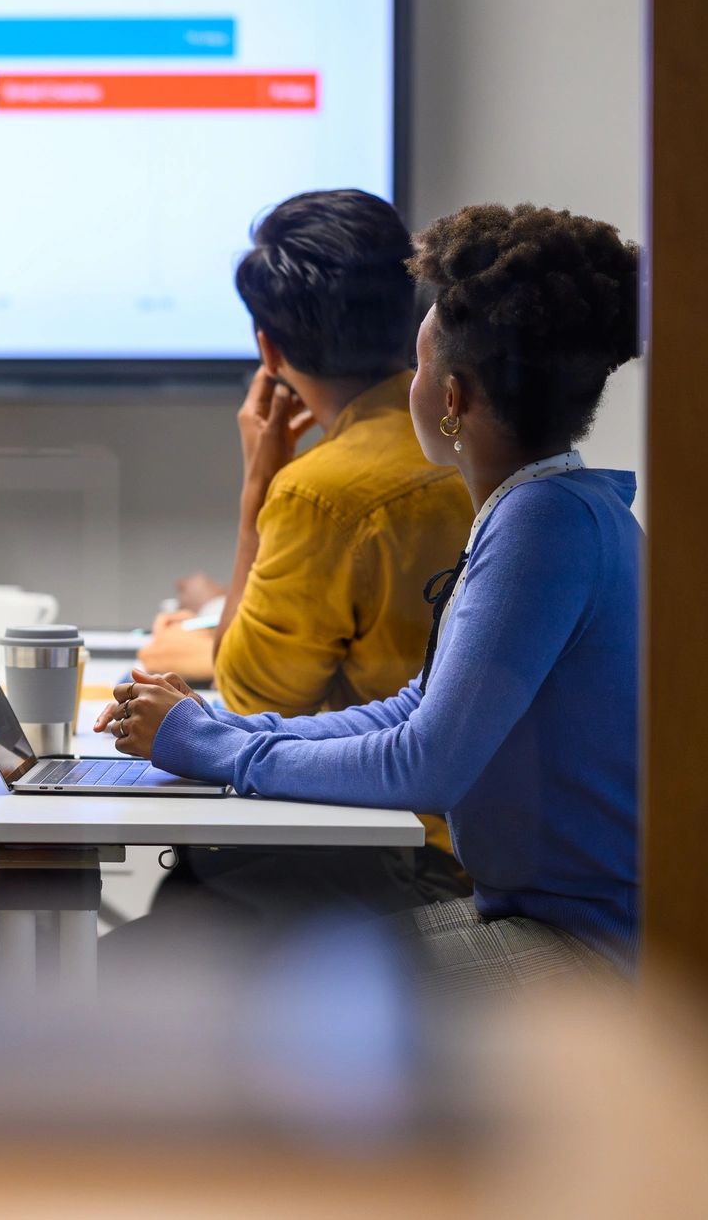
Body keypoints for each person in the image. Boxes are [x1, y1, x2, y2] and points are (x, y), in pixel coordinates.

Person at [101, 203, 655, 992]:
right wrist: (217, 728)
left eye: (417, 369)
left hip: (592, 957)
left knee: (228, 988)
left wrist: (213, 749)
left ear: (452, 399)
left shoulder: (541, 528)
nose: (407, 386)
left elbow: (425, 764)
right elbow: (413, 709)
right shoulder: (548, 507)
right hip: (556, 919)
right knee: (226, 971)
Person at [136, 191, 477, 922]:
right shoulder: (474, 442)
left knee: (176, 910)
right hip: (482, 842)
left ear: (269, 349)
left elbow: (247, 701)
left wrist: (258, 493)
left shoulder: (323, 493)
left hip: (401, 855)